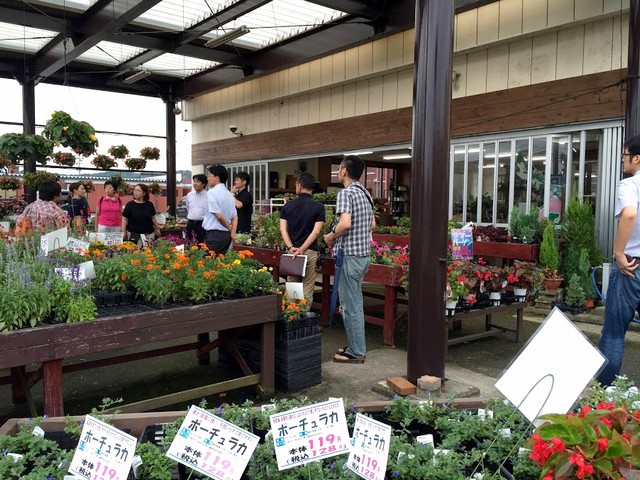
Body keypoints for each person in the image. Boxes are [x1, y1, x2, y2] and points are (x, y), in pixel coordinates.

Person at [323, 155, 375, 364]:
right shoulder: (366, 194)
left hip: (350, 256)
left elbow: (345, 224)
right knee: (355, 302)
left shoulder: (345, 194)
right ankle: (356, 345)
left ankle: (356, 351)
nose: (338, 172)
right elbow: (372, 225)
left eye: (339, 169)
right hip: (363, 256)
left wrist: (330, 235)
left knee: (350, 305)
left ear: (344, 171)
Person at [597, 135, 640, 385]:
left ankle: (604, 396)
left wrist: (618, 252)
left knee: (614, 333)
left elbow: (630, 213)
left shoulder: (629, 185)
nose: (623, 160)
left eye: (624, 155)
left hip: (631, 268)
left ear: (636, 158)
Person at [279, 173, 325, 304]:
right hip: (309, 251)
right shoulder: (319, 207)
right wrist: (302, 249)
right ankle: (303, 315)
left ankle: (293, 315)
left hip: (292, 252)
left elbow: (283, 229)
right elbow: (315, 233)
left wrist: (291, 247)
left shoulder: (287, 206)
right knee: (308, 287)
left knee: (293, 285)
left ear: (300, 185)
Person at [202, 165, 237, 253]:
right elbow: (235, 217)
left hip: (215, 235)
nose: (207, 178)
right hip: (226, 236)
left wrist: (229, 227)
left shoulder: (212, 193)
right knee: (220, 263)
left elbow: (219, 216)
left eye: (209, 175)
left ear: (217, 178)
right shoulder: (229, 195)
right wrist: (232, 233)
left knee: (207, 263)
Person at [184, 173, 208, 243]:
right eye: (194, 181)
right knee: (189, 243)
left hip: (202, 224)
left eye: (197, 182)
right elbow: (188, 208)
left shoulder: (208, 195)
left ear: (203, 184)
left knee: (201, 244)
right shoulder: (189, 195)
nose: (195, 183)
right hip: (191, 223)